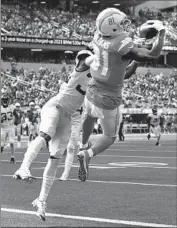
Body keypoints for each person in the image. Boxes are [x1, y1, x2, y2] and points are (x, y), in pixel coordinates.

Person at [77, 8, 166, 182]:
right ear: (113, 28)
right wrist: (161, 32)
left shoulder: (98, 35)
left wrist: (136, 48)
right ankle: (87, 153)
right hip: (109, 95)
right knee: (110, 136)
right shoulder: (121, 43)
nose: (124, 25)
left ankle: (83, 142)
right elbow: (152, 54)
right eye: (121, 23)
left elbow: (125, 56)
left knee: (89, 115)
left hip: (92, 87)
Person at [13, 50, 94, 220]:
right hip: (55, 107)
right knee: (46, 134)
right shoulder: (81, 69)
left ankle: (41, 200)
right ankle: (24, 166)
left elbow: (121, 75)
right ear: (79, 60)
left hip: (67, 116)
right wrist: (104, 52)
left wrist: (133, 60)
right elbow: (90, 60)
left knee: (56, 157)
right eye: (84, 59)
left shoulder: (94, 77)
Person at [1, 91, 16, 163]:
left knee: (11, 142)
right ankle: (2, 147)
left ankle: (12, 157)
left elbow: (16, 116)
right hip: (3, 128)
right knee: (1, 145)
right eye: (4, 99)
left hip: (10, 127)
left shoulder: (12, 108)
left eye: (6, 99)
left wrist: (14, 120)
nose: (5, 101)